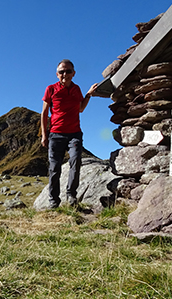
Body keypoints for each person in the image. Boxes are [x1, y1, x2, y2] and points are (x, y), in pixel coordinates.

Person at [41, 59, 98, 208]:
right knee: (54, 168)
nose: (64, 74)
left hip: (74, 133)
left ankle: (71, 195)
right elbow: (44, 112)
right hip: (55, 134)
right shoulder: (51, 89)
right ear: (57, 74)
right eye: (61, 71)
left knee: (76, 161)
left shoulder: (76, 89)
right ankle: (53, 202)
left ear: (73, 73)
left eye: (68, 71)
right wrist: (44, 135)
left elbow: (80, 108)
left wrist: (88, 95)